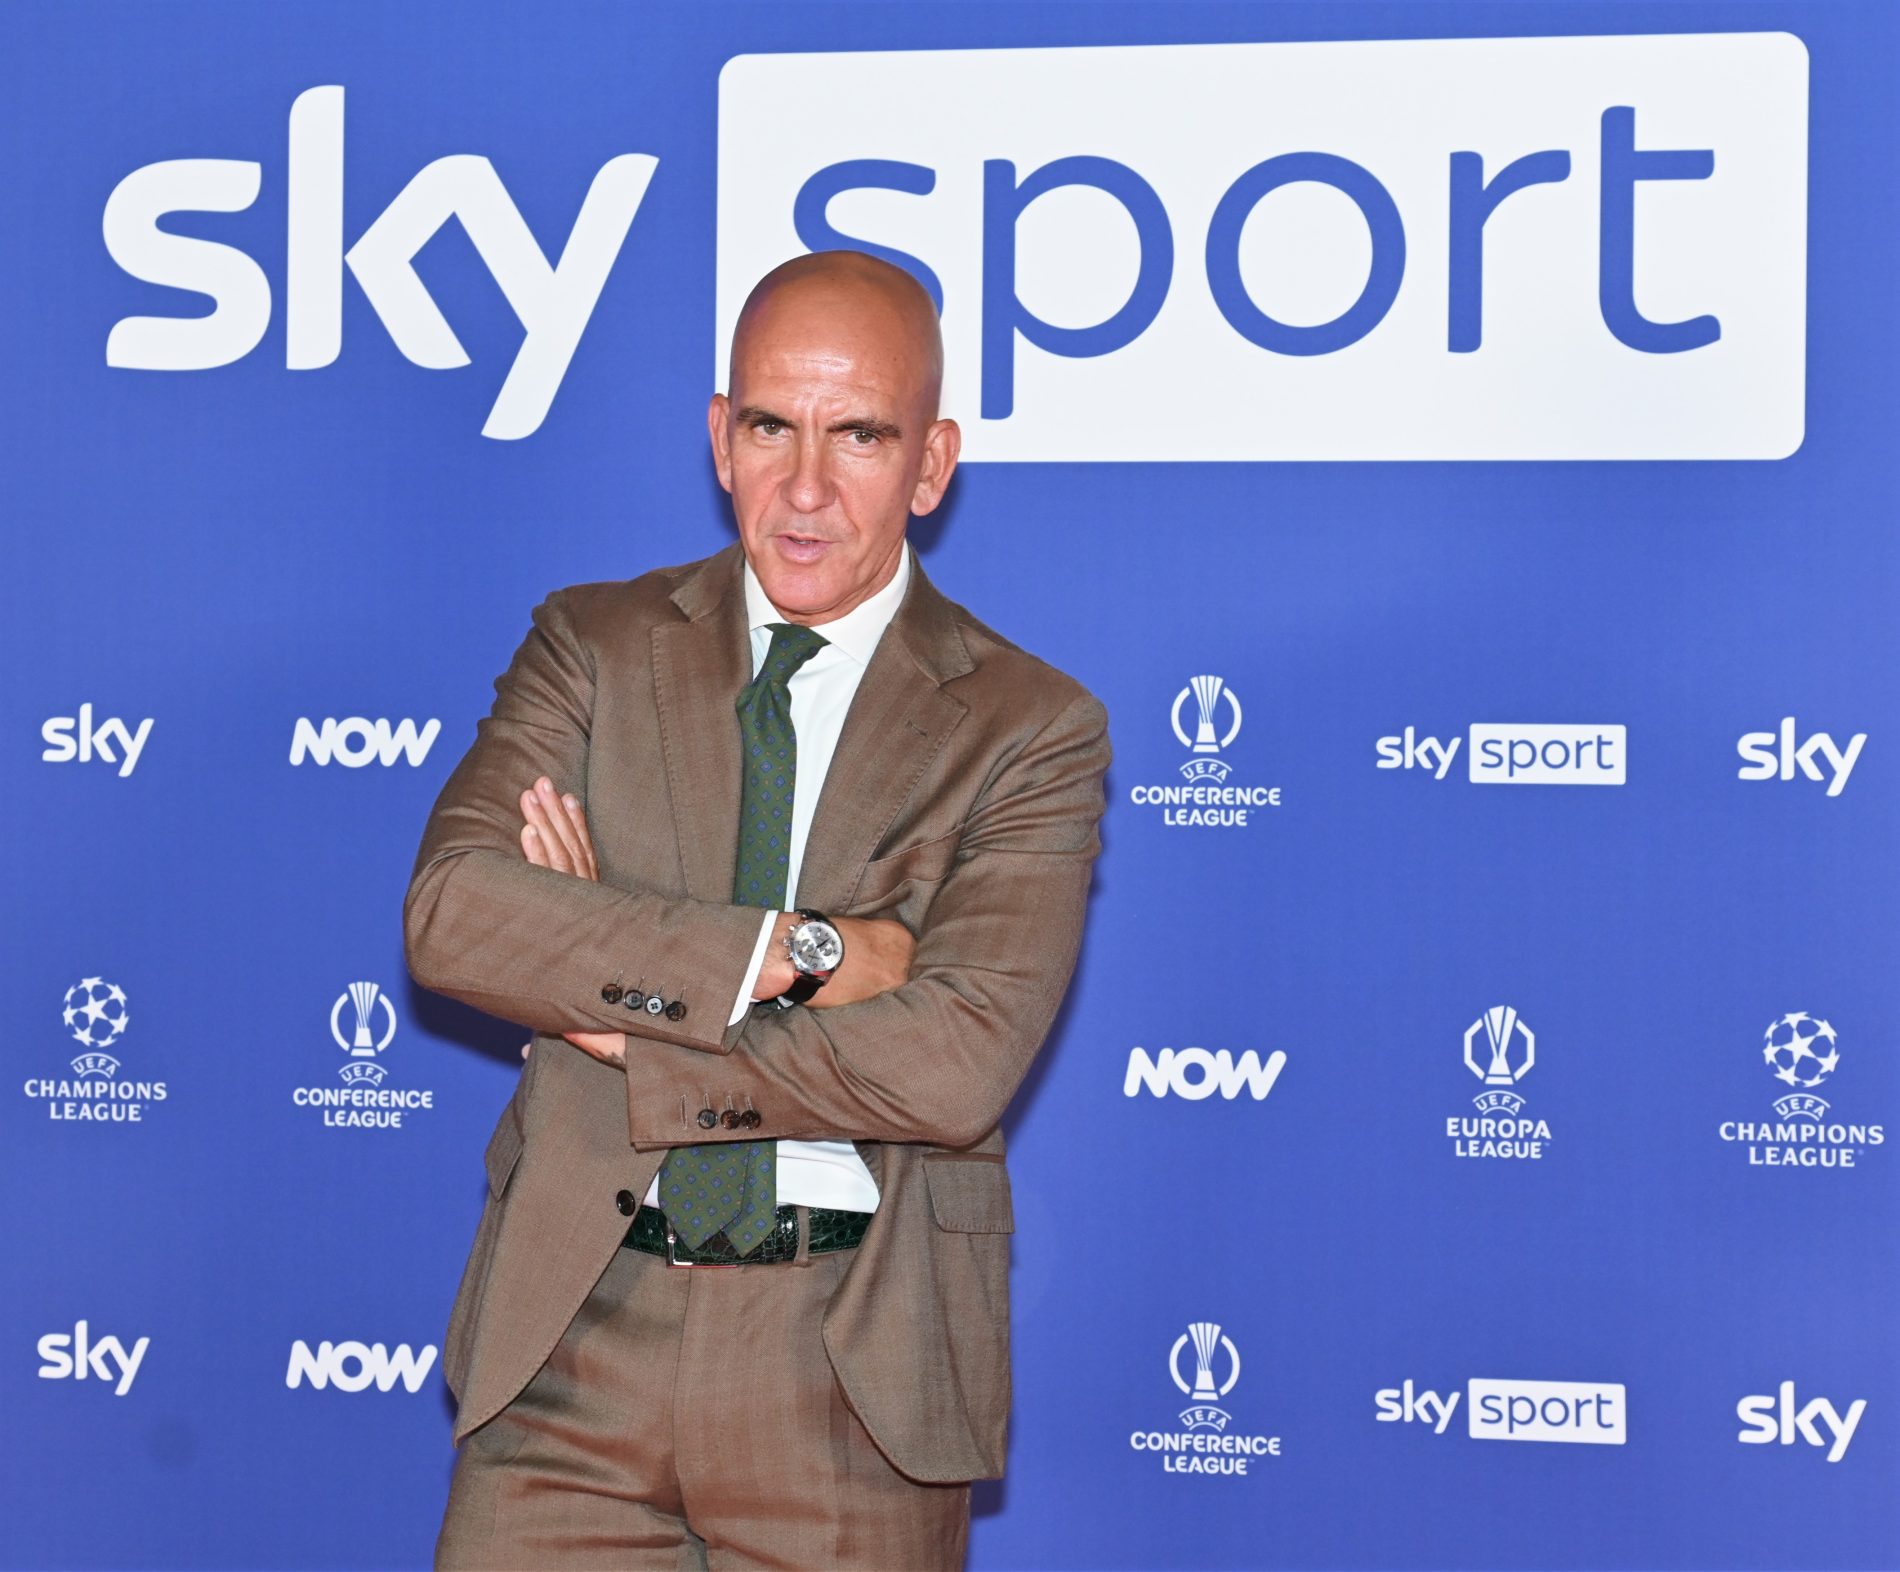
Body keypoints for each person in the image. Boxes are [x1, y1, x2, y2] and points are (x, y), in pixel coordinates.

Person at [404, 249, 1111, 1571]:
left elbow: (955, 1063)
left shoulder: (1028, 727)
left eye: (860, 436)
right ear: (722, 438)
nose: (805, 486)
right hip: (571, 1356)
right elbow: (459, 914)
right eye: (774, 427)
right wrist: (804, 954)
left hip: (853, 1379)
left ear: (931, 465)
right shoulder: (592, 646)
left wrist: (631, 1018)